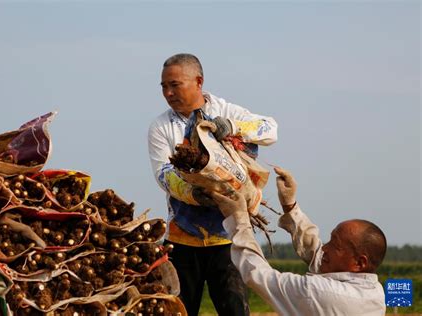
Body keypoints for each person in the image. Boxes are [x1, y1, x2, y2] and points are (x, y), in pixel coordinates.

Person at [148, 53, 278, 316]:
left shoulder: (226, 111)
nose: (168, 93)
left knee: (235, 309)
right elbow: (163, 174)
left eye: (175, 84)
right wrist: (194, 193)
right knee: (177, 310)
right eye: (164, 86)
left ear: (198, 81)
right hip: (181, 239)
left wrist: (233, 127)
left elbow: (270, 129)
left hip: (229, 237)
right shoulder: (161, 127)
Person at [210, 166, 387, 316]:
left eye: (336, 245)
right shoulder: (373, 292)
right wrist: (291, 206)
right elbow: (317, 254)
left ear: (359, 262)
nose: (325, 248)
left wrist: (238, 220)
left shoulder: (321, 293)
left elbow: (259, 275)